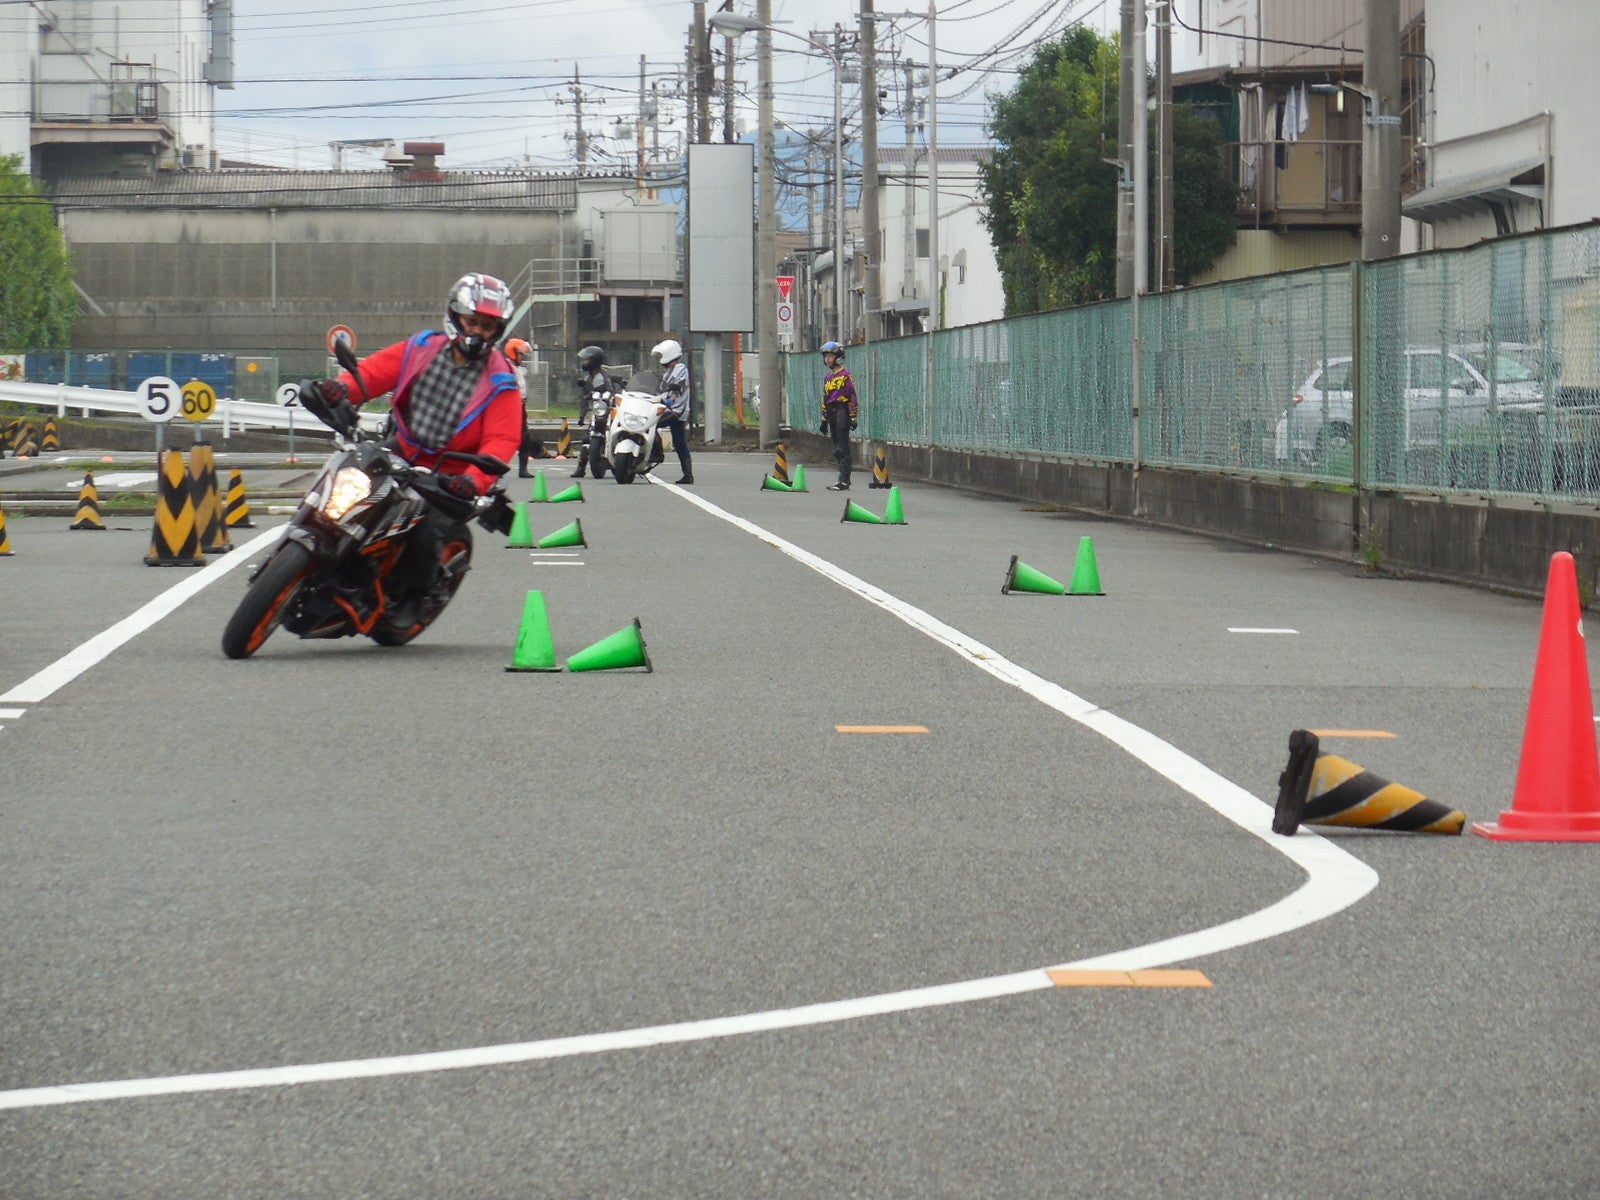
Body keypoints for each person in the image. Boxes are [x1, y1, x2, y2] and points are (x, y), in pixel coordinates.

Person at [300, 271, 523, 628]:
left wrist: (473, 481)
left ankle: (413, 594)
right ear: (454, 316)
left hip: (451, 475)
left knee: (428, 527)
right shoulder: (421, 347)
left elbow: (502, 440)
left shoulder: (502, 381)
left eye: (488, 326)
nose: (478, 331)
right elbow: (374, 372)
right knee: (346, 473)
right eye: (472, 321)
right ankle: (316, 537)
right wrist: (340, 389)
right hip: (402, 445)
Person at [648, 338, 694, 485]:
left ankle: (654, 453)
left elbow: (676, 387)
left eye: (662, 355)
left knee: (650, 424)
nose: (660, 359)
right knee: (679, 442)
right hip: (673, 409)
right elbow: (661, 389)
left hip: (676, 410)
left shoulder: (680, 368)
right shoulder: (669, 372)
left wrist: (670, 399)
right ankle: (688, 475)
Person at [570, 345, 621, 479]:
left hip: (608, 411)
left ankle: (616, 457)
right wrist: (581, 415)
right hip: (598, 412)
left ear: (595, 360)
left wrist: (605, 395)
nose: (584, 362)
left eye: (587, 360)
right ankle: (581, 468)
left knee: (612, 433)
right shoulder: (588, 379)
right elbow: (584, 398)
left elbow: (611, 392)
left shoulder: (603, 377)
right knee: (587, 438)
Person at [818, 340, 858, 491]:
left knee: (842, 446)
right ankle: (842, 479)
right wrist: (824, 419)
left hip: (842, 411)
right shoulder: (828, 378)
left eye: (830, 356)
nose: (827, 359)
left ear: (838, 357)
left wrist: (853, 415)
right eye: (826, 356)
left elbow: (852, 395)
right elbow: (825, 399)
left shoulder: (845, 376)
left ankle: (844, 481)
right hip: (831, 412)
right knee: (836, 447)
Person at [503, 337, 538, 477]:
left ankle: (523, 470)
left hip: (520, 406)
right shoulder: (506, 368)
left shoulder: (517, 369)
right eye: (521, 354)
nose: (522, 357)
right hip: (509, 408)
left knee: (525, 437)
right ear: (513, 353)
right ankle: (496, 468)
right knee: (504, 438)